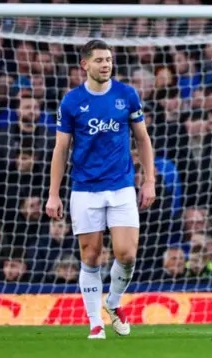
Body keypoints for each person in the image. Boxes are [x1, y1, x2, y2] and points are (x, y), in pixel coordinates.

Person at [46, 40, 156, 339]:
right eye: (99, 60)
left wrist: (149, 181)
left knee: (127, 253)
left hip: (121, 186)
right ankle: (95, 322)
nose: (106, 64)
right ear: (85, 65)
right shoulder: (71, 101)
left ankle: (114, 302)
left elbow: (143, 140)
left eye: (108, 59)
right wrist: (53, 193)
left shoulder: (126, 95)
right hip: (85, 189)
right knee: (91, 256)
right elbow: (61, 148)